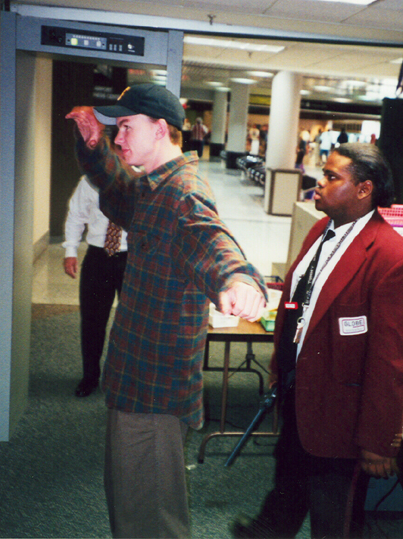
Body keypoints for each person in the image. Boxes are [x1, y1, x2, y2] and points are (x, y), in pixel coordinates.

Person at [65, 83, 267, 539]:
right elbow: (113, 191)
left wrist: (237, 279)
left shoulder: (183, 193)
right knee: (130, 506)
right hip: (134, 375)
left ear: (160, 129)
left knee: (151, 519)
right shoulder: (150, 186)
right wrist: (94, 145)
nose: (120, 138)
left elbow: (210, 239)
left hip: (155, 390)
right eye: (116, 129)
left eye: (126, 128)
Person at [231, 143, 403, 538]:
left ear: (363, 189)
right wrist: (279, 367)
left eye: (331, 176)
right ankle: (270, 531)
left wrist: (378, 441)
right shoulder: (323, 230)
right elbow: (299, 304)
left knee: (333, 517)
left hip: (343, 415)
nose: (318, 183)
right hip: (299, 394)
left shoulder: (394, 260)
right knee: (288, 481)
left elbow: (391, 360)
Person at [62, 175, 128, 398]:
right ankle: (90, 377)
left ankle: (127, 379)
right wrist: (70, 251)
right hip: (98, 258)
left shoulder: (142, 179)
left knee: (133, 325)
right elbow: (76, 215)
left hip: (133, 259)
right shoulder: (91, 180)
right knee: (92, 322)